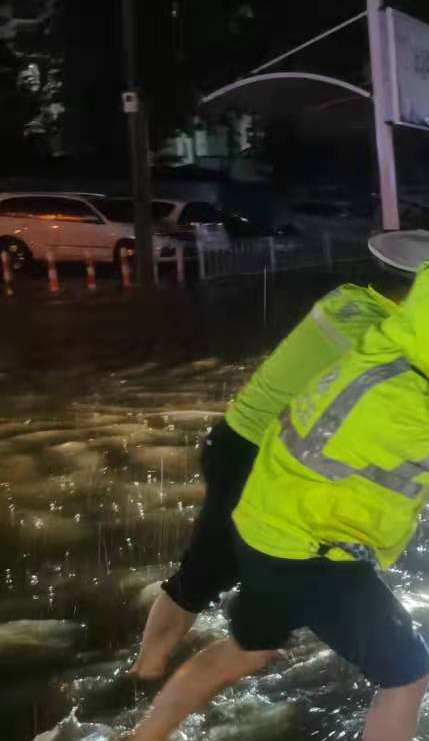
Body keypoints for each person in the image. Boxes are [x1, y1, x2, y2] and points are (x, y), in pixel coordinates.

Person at [102, 257, 429, 741]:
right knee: (407, 672)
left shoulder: (379, 351)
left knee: (246, 650)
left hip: (267, 533)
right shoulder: (401, 403)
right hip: (315, 556)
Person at [128, 275, 412, 681]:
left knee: (241, 563)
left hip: (238, 440)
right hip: (255, 454)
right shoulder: (382, 334)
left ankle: (241, 644)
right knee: (209, 571)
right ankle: (147, 674)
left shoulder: (345, 297)